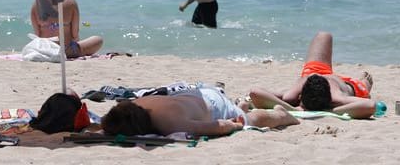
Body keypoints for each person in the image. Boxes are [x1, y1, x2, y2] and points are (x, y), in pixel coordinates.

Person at [248, 31, 376, 119]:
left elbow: (371, 105)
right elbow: (254, 92)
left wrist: (290, 109)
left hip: (341, 84)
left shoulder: (337, 97)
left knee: (364, 85)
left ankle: (364, 82)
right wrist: (331, 112)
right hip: (316, 74)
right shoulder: (299, 90)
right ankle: (363, 83)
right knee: (324, 36)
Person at [101, 84, 299, 137]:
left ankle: (281, 115)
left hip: (215, 106)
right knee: (235, 110)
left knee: (249, 120)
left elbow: (217, 126)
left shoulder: (171, 125)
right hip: (201, 94)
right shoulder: (141, 101)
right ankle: (240, 105)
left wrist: (234, 125)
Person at [30, 0, 103, 58]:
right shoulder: (71, 2)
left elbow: (37, 35)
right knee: (98, 40)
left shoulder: (35, 4)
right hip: (66, 51)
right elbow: (75, 34)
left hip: (44, 50)